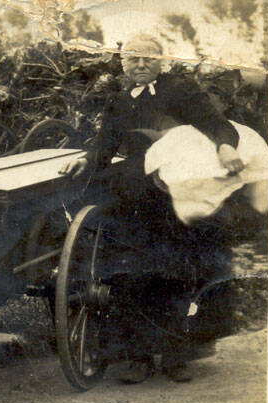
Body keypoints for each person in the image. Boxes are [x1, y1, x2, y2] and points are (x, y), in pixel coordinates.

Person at [60, 35, 247, 384]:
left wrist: (225, 147)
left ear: (162, 60)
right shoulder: (118, 101)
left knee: (175, 269)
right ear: (122, 64)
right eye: (132, 59)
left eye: (147, 58)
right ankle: (138, 357)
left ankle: (176, 355)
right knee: (131, 271)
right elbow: (104, 145)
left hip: (172, 191)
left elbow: (217, 124)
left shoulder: (181, 91)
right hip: (133, 194)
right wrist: (85, 160)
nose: (140, 64)